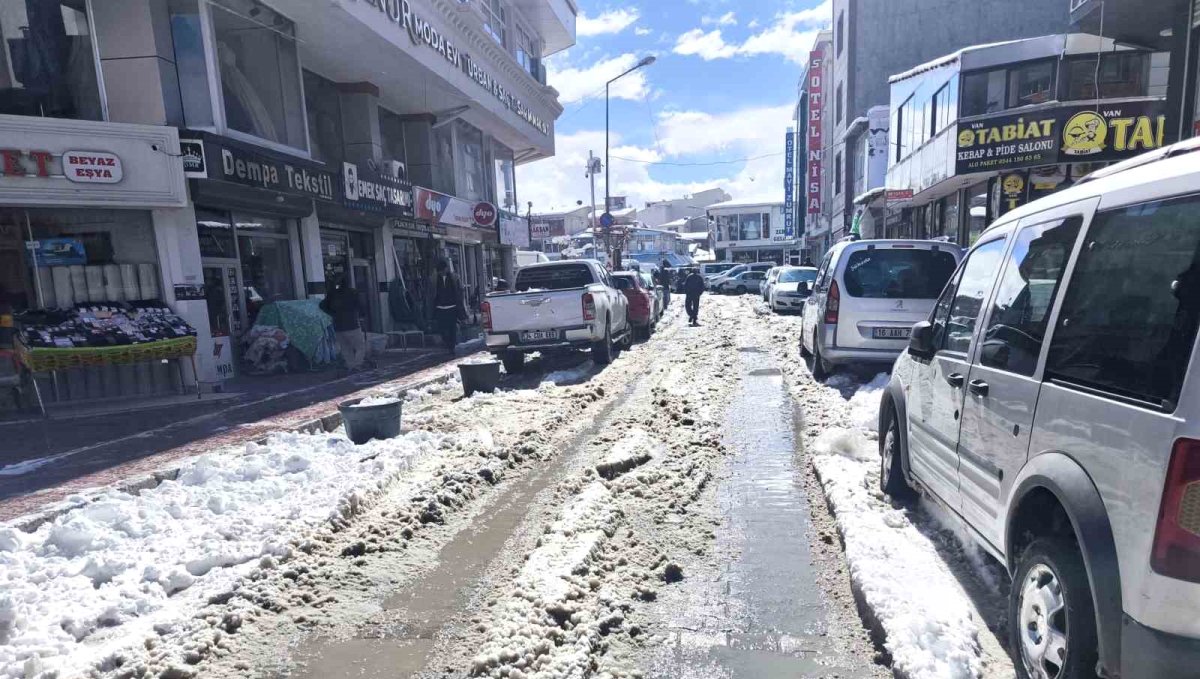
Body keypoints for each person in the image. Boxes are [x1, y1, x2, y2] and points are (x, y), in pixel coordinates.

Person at [319, 277, 365, 372]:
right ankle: (357, 365)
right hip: (352, 324)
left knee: (345, 348)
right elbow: (361, 306)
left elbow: (322, 305)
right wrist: (362, 315)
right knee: (360, 346)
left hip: (338, 325)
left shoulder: (332, 294)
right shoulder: (353, 293)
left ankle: (351, 365)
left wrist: (332, 313)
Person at [433, 259, 462, 355]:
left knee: (452, 328)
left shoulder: (453, 278)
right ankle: (447, 342)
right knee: (442, 328)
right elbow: (432, 294)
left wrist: (460, 308)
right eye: (439, 271)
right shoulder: (435, 279)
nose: (441, 273)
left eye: (442, 270)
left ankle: (452, 346)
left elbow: (459, 293)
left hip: (452, 307)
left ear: (446, 269)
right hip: (440, 308)